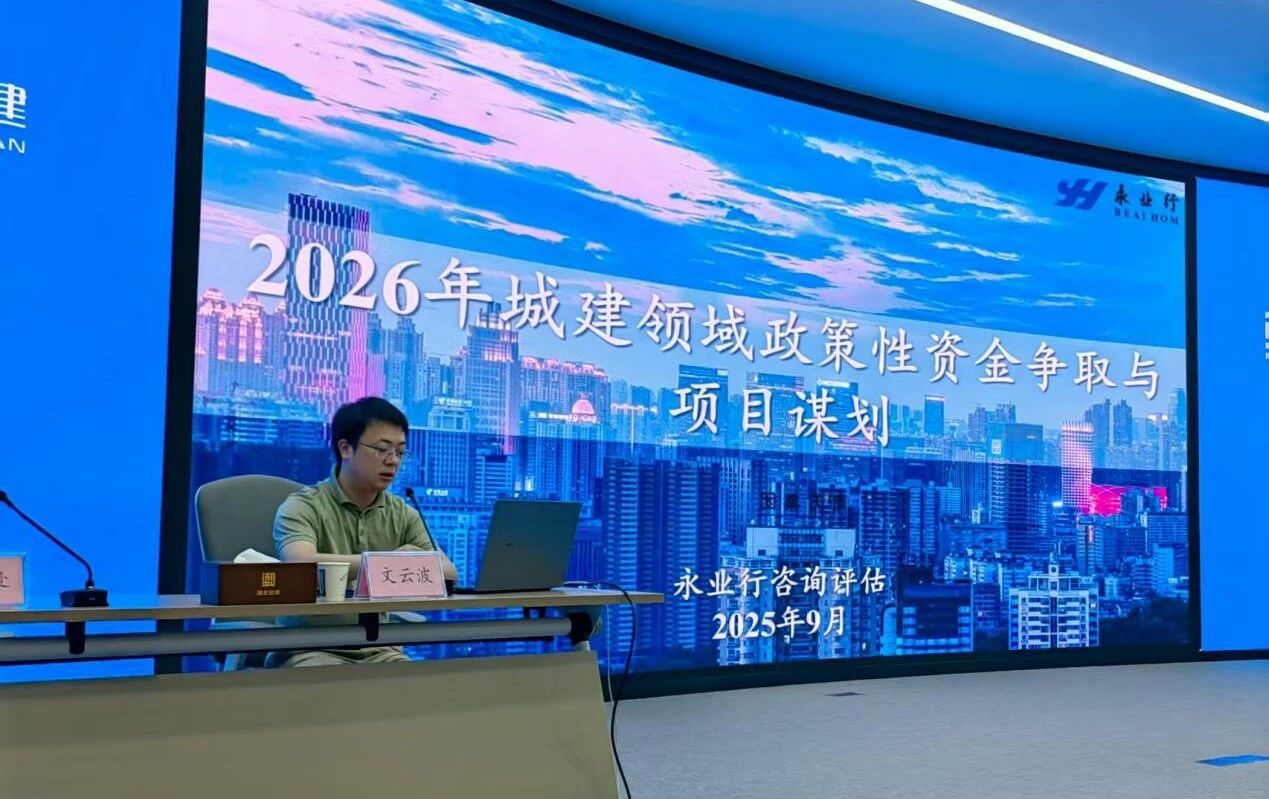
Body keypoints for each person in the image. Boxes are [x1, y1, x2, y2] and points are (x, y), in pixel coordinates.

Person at [267, 396, 457, 668]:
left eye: (400, 452)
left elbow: (448, 573)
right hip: (309, 648)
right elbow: (300, 564)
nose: (393, 461)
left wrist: (389, 564)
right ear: (346, 448)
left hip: (379, 647)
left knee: (421, 686)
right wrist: (389, 562)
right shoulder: (303, 506)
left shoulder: (402, 513)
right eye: (382, 449)